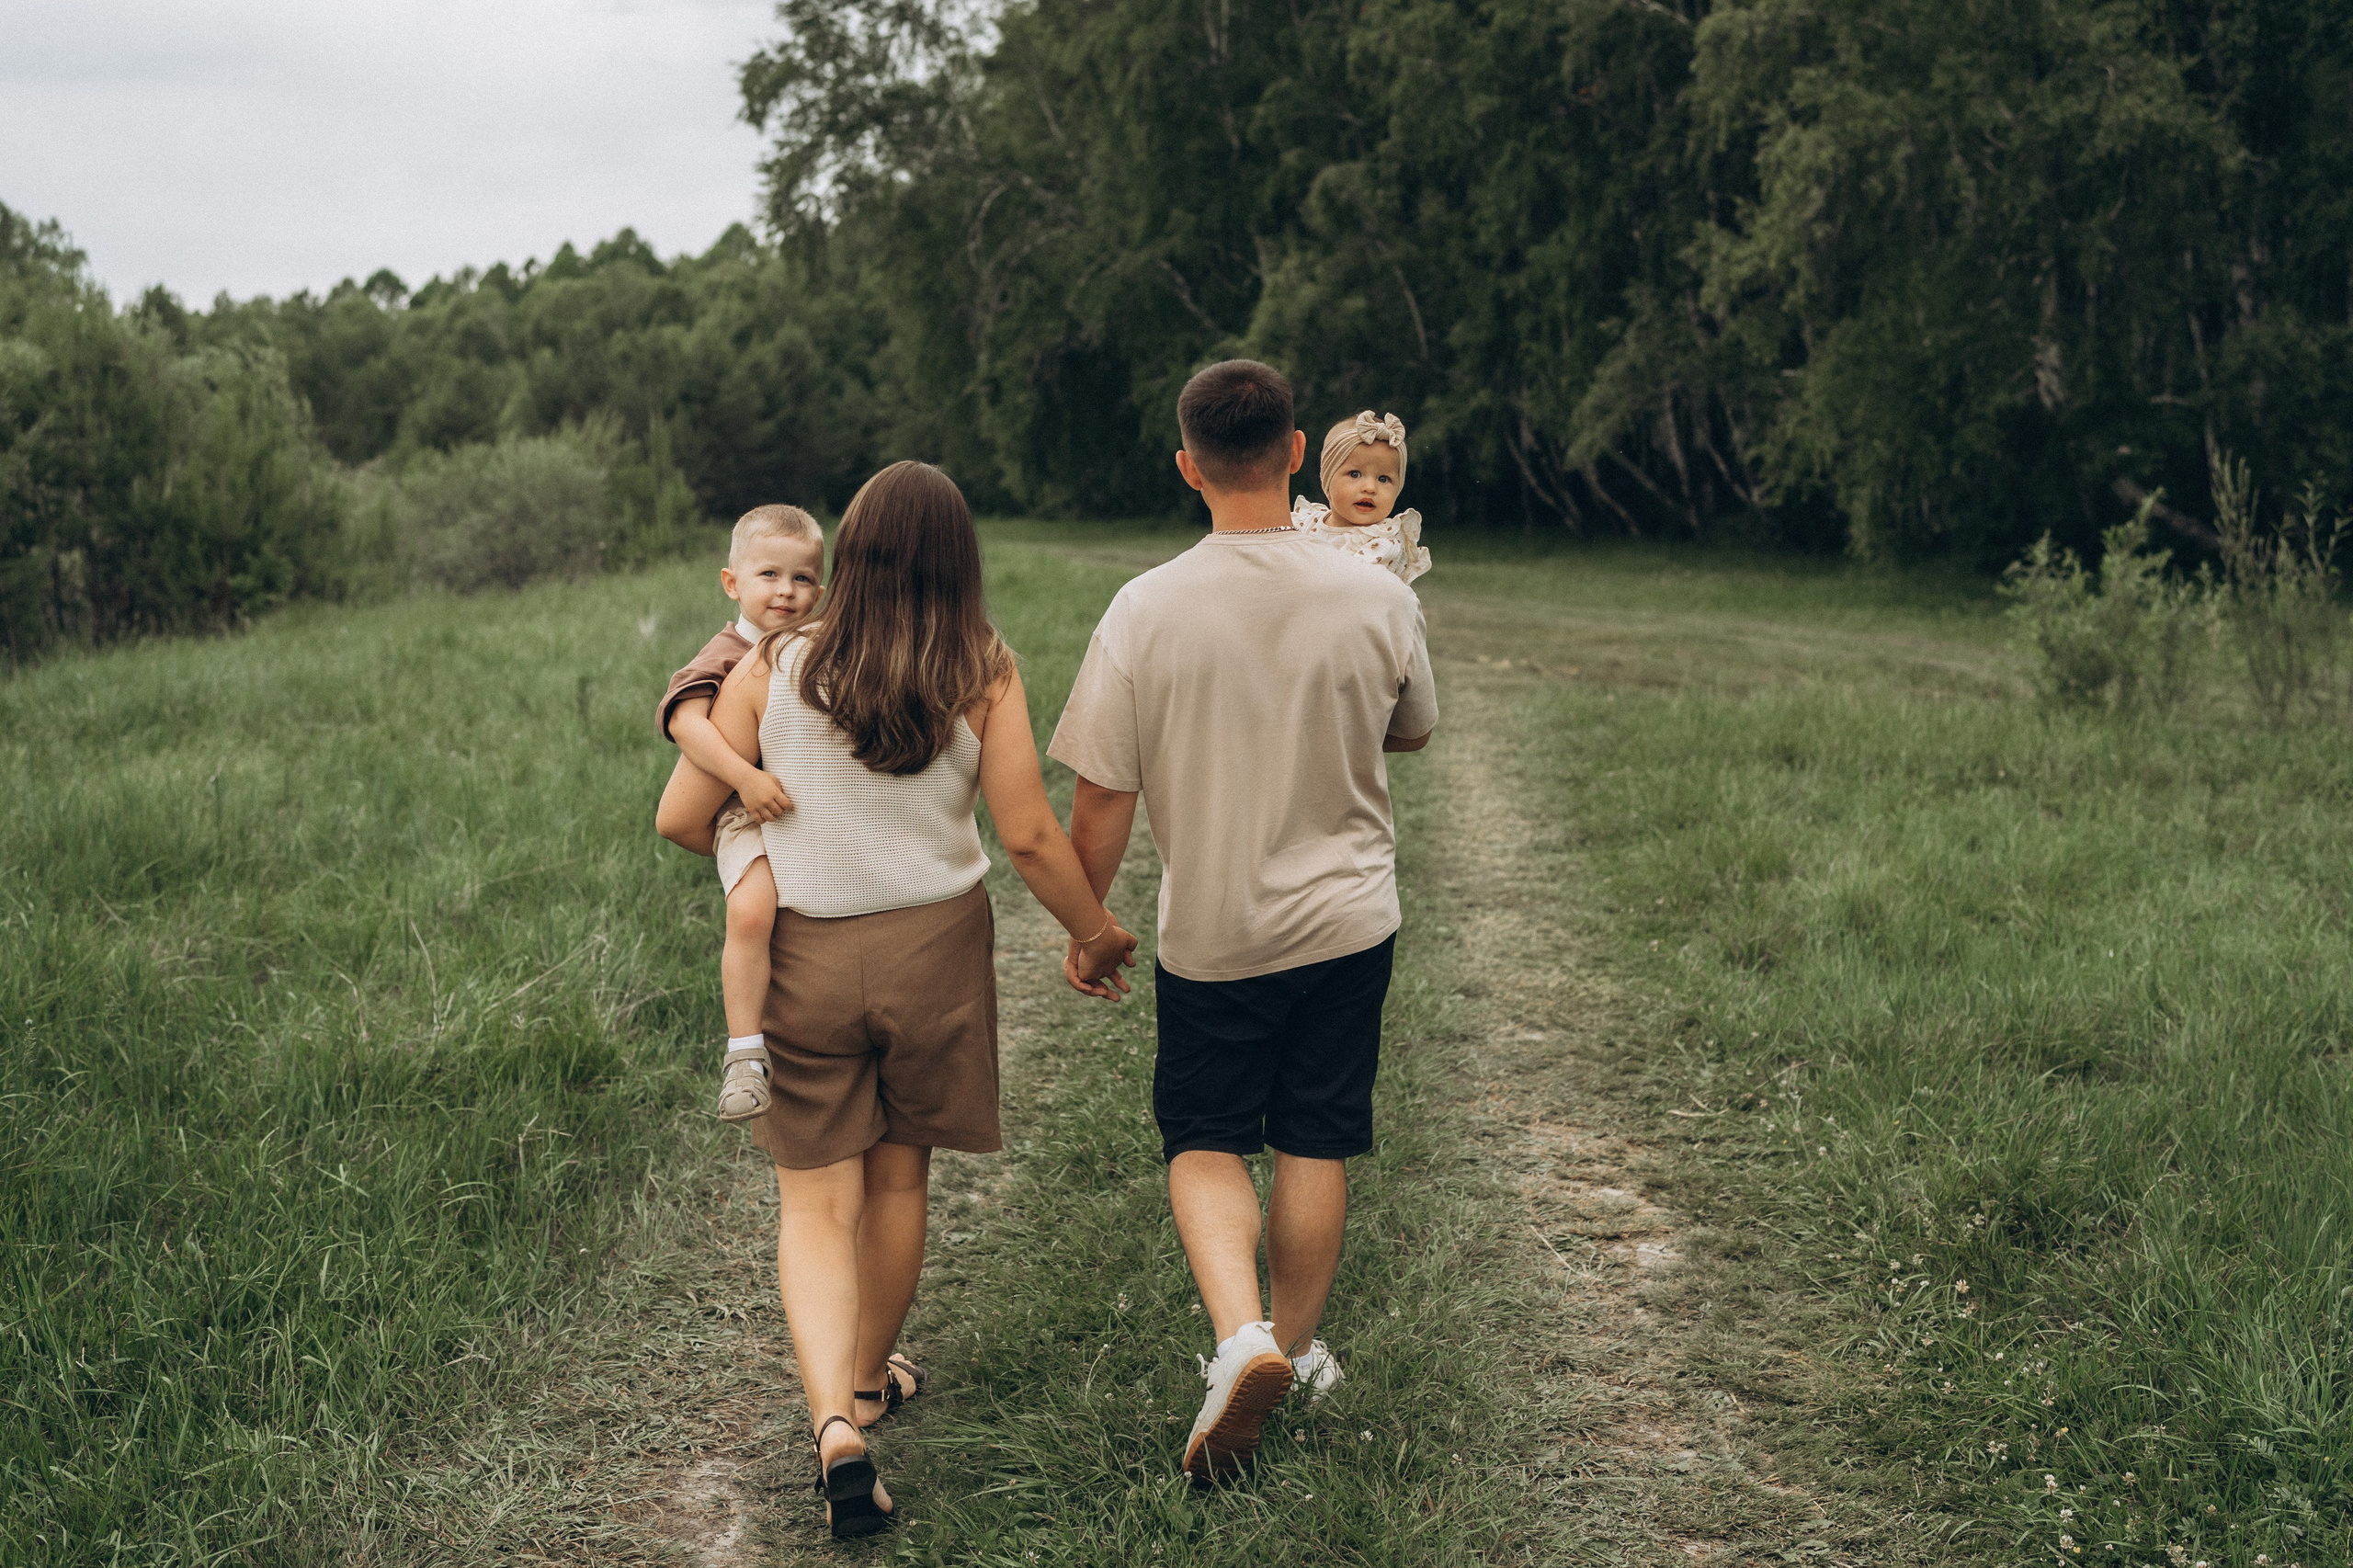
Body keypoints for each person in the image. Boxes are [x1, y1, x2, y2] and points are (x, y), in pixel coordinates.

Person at [659, 460, 1138, 1538]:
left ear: (852, 557)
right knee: (898, 1176)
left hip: (805, 956)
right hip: (933, 949)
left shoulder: (774, 661)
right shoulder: (982, 665)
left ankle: (833, 1421)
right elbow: (1023, 834)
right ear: (958, 559)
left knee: (813, 1204)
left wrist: (766, 853)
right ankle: (872, 1378)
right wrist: (1093, 933)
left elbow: (682, 814)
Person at [1046, 360, 1438, 1485]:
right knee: (1317, 1130)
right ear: (1297, 450)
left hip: (1212, 931)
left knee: (1207, 1134)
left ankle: (1240, 1337)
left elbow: (1102, 800)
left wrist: (1088, 926)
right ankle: (1299, 1346)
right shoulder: (1380, 594)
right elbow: (1410, 732)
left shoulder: (1145, 606)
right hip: (1350, 919)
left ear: (1187, 466)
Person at [653, 505, 826, 1124]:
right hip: (742, 812)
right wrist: (743, 779)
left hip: (805, 809)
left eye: (803, 578)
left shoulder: (815, 649)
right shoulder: (727, 653)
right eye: (769, 575)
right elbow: (685, 724)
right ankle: (745, 1056)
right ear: (733, 583)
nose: (786, 590)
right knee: (751, 910)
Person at [1290, 410, 1432, 585]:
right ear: (1327, 477)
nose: (1370, 488)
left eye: (1383, 479)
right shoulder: (1305, 522)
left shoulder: (1382, 545)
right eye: (1355, 474)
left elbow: (1344, 586)